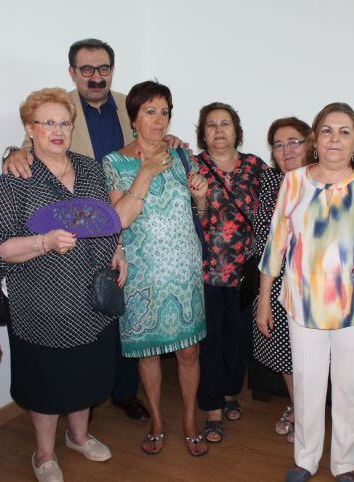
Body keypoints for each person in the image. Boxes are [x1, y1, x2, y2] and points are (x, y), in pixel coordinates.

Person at [2, 38, 187, 420]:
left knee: (116, 314)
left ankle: (120, 393)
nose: (96, 76)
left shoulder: (126, 103)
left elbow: (151, 131)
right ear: (73, 72)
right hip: (84, 231)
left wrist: (166, 136)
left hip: (122, 226)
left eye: (103, 68)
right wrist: (14, 154)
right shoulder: (60, 108)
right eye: (87, 69)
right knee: (99, 316)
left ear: (112, 70)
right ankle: (81, 410)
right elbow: (34, 146)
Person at [257, 103, 354, 482]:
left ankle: (344, 465)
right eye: (327, 130)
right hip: (303, 304)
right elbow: (275, 245)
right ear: (315, 137)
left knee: (349, 389)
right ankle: (305, 460)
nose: (335, 139)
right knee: (308, 388)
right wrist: (264, 299)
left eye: (344, 131)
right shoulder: (293, 182)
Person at [0, 88, 125, 482]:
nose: (58, 130)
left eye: (64, 122)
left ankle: (78, 437)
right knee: (46, 384)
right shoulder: (15, 180)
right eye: (47, 122)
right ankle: (44, 454)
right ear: (30, 129)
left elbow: (105, 221)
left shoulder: (89, 168)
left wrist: (119, 250)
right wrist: (43, 243)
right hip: (42, 304)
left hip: (92, 300)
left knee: (86, 376)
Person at [102, 80, 209, 457]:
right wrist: (145, 171)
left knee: (189, 352)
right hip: (143, 272)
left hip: (184, 268)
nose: (159, 120)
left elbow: (201, 215)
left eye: (164, 112)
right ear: (133, 118)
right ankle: (158, 421)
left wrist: (200, 200)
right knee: (147, 353)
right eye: (150, 111)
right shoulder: (114, 162)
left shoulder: (183, 157)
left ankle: (192, 420)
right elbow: (118, 220)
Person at [195, 102, 268, 443]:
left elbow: (280, 201)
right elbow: (184, 217)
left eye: (225, 124)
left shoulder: (255, 166)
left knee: (238, 339)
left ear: (236, 130)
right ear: (203, 132)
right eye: (211, 125)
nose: (219, 131)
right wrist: (198, 200)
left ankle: (228, 392)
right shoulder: (192, 167)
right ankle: (211, 406)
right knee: (210, 341)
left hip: (244, 271)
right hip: (205, 270)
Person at [252, 117, 314, 444]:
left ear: (310, 144)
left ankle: (311, 412)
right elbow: (263, 232)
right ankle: (298, 407)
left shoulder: (323, 178)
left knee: (313, 354)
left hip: (318, 285)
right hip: (276, 279)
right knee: (284, 352)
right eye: (278, 144)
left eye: (294, 141)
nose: (285, 149)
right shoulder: (271, 181)